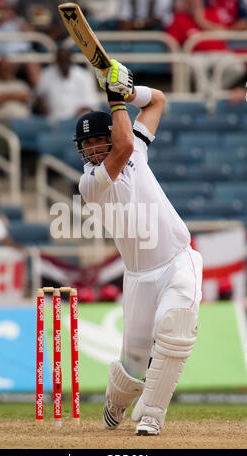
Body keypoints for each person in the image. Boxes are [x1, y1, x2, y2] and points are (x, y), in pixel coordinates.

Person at [75, 59, 203, 435]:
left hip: (177, 259)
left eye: (98, 140)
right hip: (138, 277)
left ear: (108, 137)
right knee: (132, 364)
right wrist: (115, 100)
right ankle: (116, 402)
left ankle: (152, 417)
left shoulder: (135, 151)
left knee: (176, 328)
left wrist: (130, 92)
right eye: (86, 144)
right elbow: (126, 142)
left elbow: (158, 101)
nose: (93, 148)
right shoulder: (91, 184)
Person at [35, 47, 100, 123]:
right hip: (54, 121)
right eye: (61, 60)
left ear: (71, 59)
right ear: (56, 60)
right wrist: (47, 116)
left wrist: (72, 120)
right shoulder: (46, 74)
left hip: (79, 120)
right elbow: (39, 97)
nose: (63, 63)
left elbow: (90, 104)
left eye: (66, 59)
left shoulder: (84, 76)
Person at [0, 57, 32, 121]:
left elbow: (28, 98)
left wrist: (3, 96)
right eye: (4, 68)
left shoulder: (21, 84)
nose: (7, 71)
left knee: (45, 125)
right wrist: (16, 96)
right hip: (2, 123)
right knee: (45, 126)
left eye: (9, 68)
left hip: (26, 120)